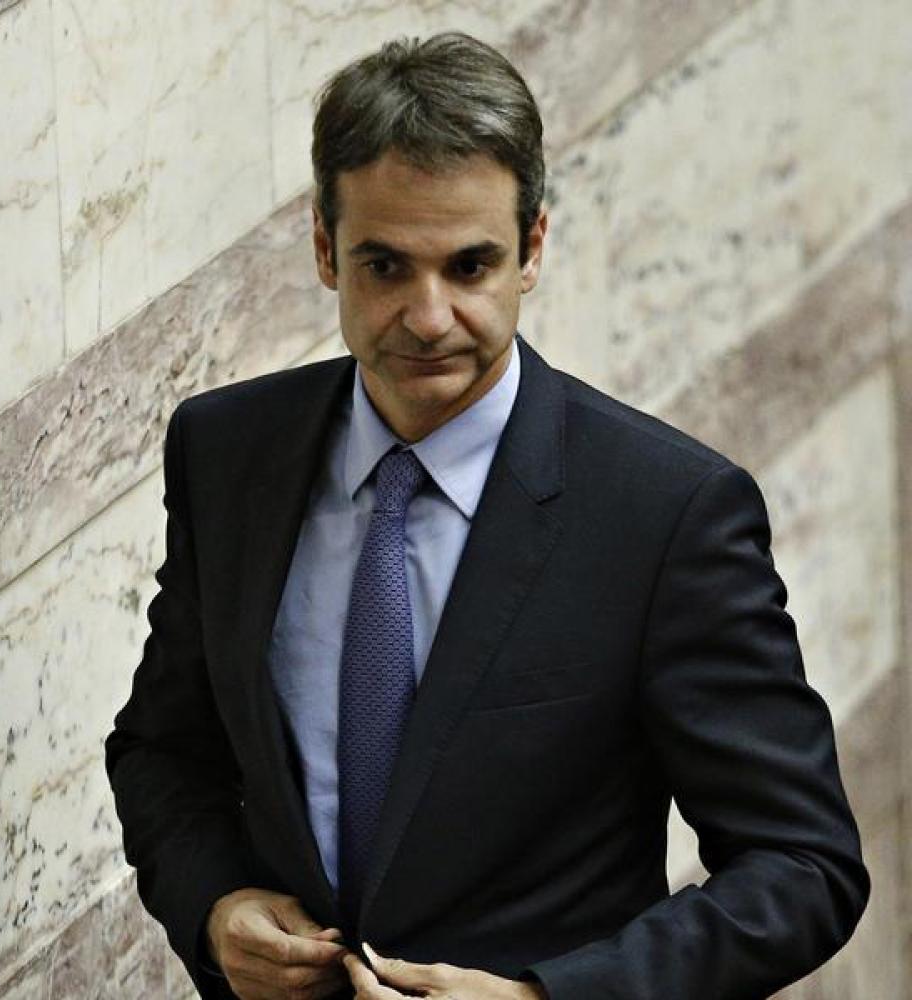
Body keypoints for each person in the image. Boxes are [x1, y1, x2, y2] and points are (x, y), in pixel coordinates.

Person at [102, 31, 867, 1000]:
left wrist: (547, 997)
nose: (428, 318)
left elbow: (801, 865)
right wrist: (216, 907)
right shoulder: (225, 453)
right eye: (385, 267)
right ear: (324, 249)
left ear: (531, 249)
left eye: (469, 267)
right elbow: (164, 751)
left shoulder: (665, 513)